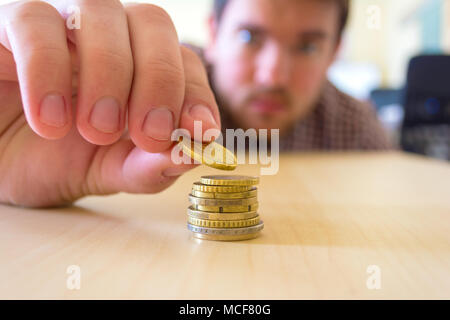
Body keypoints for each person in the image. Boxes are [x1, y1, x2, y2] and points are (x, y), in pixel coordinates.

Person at [0, 0, 390, 208]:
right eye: (250, 37)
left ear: (334, 53)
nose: (274, 75)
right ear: (214, 35)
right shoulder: (140, 95)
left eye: (307, 46)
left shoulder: (359, 128)